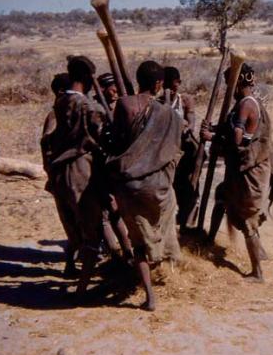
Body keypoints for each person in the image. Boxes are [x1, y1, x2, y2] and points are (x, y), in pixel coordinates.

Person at [200, 62, 273, 282]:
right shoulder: (243, 103)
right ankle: (217, 242)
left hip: (251, 171)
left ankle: (257, 272)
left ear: (239, 82)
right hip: (243, 171)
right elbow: (233, 130)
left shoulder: (246, 105)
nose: (228, 88)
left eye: (229, 83)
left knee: (248, 219)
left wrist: (213, 139)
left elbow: (238, 141)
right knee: (223, 196)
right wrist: (214, 129)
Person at [106, 61, 184, 311]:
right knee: (167, 218)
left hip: (131, 185)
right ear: (160, 84)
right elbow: (173, 150)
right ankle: (168, 264)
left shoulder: (125, 104)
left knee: (138, 242)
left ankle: (150, 296)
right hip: (159, 185)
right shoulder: (169, 114)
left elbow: (117, 142)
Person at [44, 55, 107, 297]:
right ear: (87, 78)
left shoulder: (61, 102)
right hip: (80, 171)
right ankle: (82, 291)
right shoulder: (87, 106)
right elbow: (101, 133)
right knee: (92, 232)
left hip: (60, 173)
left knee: (75, 227)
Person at [94, 72, 134, 264]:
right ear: (103, 89)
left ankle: (127, 250)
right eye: (112, 88)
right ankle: (119, 253)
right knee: (108, 210)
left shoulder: (122, 105)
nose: (116, 91)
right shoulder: (96, 108)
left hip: (122, 165)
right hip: (103, 166)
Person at [160, 66, 198, 232]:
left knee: (187, 186)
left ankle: (186, 224)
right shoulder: (160, 101)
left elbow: (191, 122)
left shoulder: (185, 100)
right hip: (167, 151)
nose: (172, 87)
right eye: (167, 84)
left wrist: (184, 127)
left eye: (174, 83)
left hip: (184, 149)